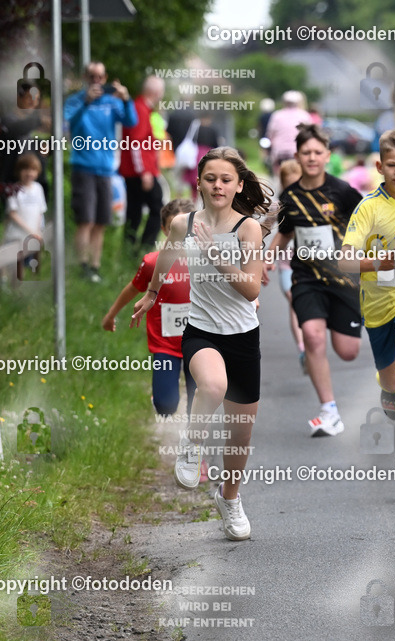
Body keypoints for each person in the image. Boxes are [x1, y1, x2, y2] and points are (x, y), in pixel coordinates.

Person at [131, 147, 271, 541]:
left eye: (226, 179)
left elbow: (251, 288)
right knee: (212, 386)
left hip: (243, 336)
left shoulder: (248, 229)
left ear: (239, 184)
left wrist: (215, 254)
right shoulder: (182, 223)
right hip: (201, 331)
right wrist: (152, 293)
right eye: (211, 178)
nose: (218, 185)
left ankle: (229, 499)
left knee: (240, 434)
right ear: (200, 183)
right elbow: (167, 255)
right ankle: (192, 445)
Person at [338, 129, 395, 478]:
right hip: (376, 305)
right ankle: (387, 389)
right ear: (379, 165)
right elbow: (345, 261)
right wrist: (379, 263)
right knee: (390, 374)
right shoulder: (369, 208)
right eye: (391, 164)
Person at [268, 124, 364, 436]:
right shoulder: (290, 196)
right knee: (312, 335)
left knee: (348, 351)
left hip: (344, 280)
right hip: (306, 277)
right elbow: (283, 234)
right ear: (297, 156)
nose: (311, 157)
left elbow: (364, 224)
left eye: (317, 152)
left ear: (327, 156)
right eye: (305, 152)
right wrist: (267, 260)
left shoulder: (342, 191)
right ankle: (329, 409)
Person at [103, 198, 197, 419]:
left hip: (200, 342)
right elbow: (132, 289)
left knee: (199, 405)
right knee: (166, 406)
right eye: (175, 228)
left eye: (187, 228)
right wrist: (111, 315)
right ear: (165, 230)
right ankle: (160, 399)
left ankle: (195, 450)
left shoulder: (207, 260)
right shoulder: (154, 262)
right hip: (165, 344)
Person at [64, 61, 137, 282]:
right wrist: (86, 103)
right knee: (85, 219)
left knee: (101, 220)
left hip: (105, 169)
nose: (96, 81)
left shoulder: (111, 102)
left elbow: (131, 121)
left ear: (105, 79)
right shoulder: (75, 101)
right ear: (85, 78)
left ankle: (95, 267)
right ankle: (82, 266)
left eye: (100, 77)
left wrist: (126, 99)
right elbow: (69, 125)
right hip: (83, 166)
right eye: (92, 76)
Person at [265, 159, 307, 370]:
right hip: (287, 265)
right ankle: (303, 348)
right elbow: (264, 229)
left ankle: (310, 340)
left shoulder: (312, 202)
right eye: (288, 185)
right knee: (294, 301)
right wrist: (265, 258)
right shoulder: (278, 205)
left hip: (310, 264)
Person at [120, 76, 166, 250]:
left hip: (135, 170)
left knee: (135, 210)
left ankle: (130, 249)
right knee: (157, 208)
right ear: (155, 92)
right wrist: (144, 171)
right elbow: (136, 143)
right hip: (139, 171)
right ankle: (144, 247)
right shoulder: (140, 109)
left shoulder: (143, 109)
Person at [4, 154, 46, 271]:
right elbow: (12, 214)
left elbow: (40, 212)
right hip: (15, 236)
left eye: (33, 170)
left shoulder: (38, 189)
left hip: (31, 237)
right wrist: (30, 230)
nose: (29, 173)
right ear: (19, 171)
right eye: (25, 169)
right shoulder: (13, 189)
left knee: (27, 267)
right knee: (13, 267)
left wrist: (37, 231)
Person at [266, 91, 314, 176]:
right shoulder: (304, 115)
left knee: (281, 176)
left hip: (280, 153)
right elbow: (310, 134)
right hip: (297, 151)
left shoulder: (277, 115)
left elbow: (270, 134)